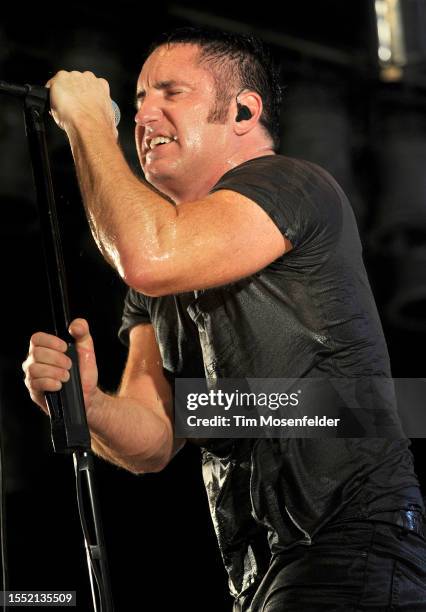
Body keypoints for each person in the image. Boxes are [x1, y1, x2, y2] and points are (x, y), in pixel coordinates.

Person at [22, 28, 426, 611]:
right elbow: (156, 439)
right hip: (260, 570)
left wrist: (87, 124)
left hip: (350, 539)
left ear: (241, 110)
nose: (143, 115)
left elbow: (146, 256)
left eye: (169, 94)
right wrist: (91, 405)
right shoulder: (168, 270)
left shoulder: (292, 184)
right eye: (136, 102)